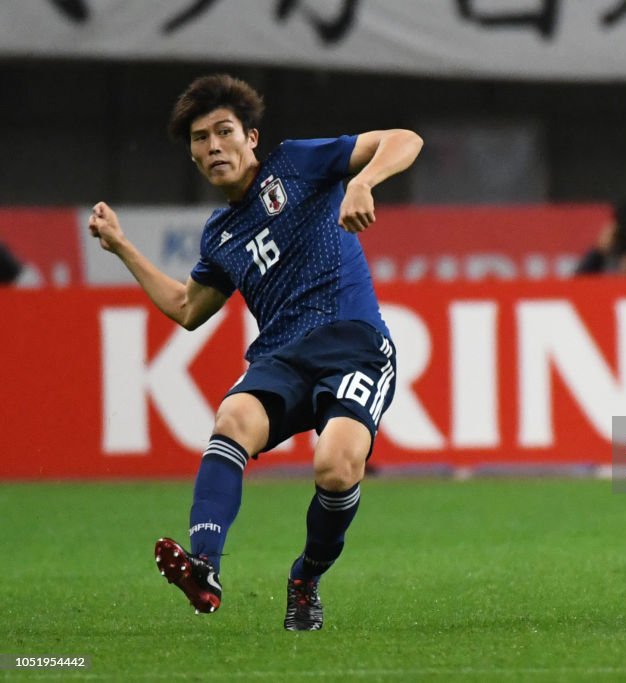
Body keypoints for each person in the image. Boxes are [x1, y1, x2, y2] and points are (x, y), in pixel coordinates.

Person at [88, 74, 422, 631]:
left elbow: (405, 138)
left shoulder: (296, 165)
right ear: (193, 156)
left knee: (336, 468)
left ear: (251, 139)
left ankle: (306, 578)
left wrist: (362, 183)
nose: (213, 146)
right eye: (200, 139)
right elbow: (187, 307)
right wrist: (123, 247)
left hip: (353, 345)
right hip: (281, 359)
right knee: (233, 417)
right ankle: (205, 568)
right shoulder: (220, 236)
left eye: (224, 132)